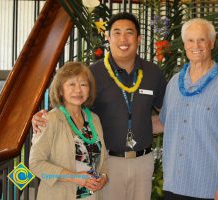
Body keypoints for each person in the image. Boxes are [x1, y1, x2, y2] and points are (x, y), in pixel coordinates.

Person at [32, 12, 167, 200]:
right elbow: (36, 164)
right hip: (107, 161)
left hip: (139, 163)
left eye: (129, 32)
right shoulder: (92, 73)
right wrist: (41, 118)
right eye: (116, 33)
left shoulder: (153, 73)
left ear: (138, 38)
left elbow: (167, 116)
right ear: (108, 37)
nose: (123, 39)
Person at [158, 18, 218, 199]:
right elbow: (164, 123)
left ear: (211, 43)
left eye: (201, 39)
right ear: (184, 45)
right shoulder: (173, 85)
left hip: (209, 188)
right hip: (173, 186)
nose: (196, 45)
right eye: (191, 40)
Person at [29, 62, 108, 200]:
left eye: (83, 84)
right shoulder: (49, 120)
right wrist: (73, 177)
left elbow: (103, 159)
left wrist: (103, 177)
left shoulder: (94, 119)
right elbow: (36, 164)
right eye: (71, 84)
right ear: (60, 90)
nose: (78, 90)